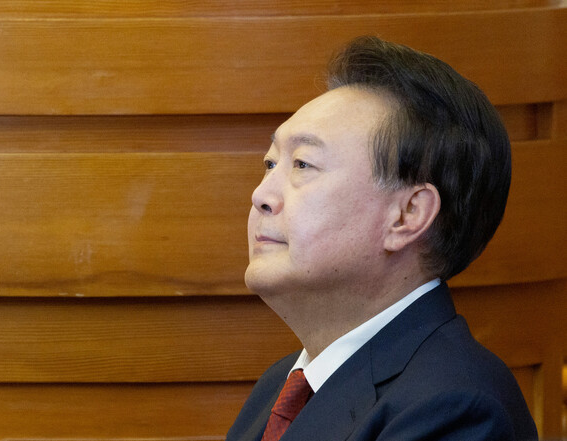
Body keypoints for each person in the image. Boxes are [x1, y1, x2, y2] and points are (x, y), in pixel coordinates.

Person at [226, 36, 538, 441]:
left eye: (302, 164)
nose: (261, 195)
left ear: (407, 215)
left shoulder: (455, 408)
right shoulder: (279, 385)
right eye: (270, 163)